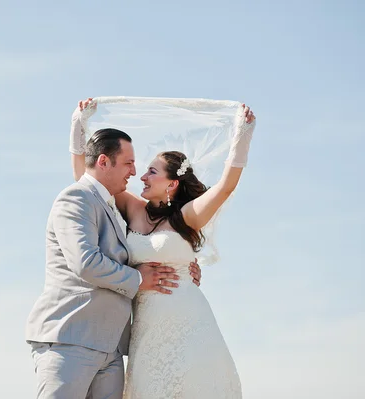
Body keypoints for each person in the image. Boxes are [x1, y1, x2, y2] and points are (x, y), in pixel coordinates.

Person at [71, 97, 256, 398]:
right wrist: (77, 128)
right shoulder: (133, 208)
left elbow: (225, 187)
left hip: (189, 323)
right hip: (147, 328)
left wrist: (242, 136)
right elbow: (85, 179)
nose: (141, 176)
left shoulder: (188, 216)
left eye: (152, 172)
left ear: (171, 184)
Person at [25, 122, 202, 399]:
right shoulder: (76, 198)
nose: (134, 171)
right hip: (71, 339)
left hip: (112, 349)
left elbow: (130, 256)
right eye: (129, 163)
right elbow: (86, 262)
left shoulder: (113, 208)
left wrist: (179, 267)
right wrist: (139, 279)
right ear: (104, 162)